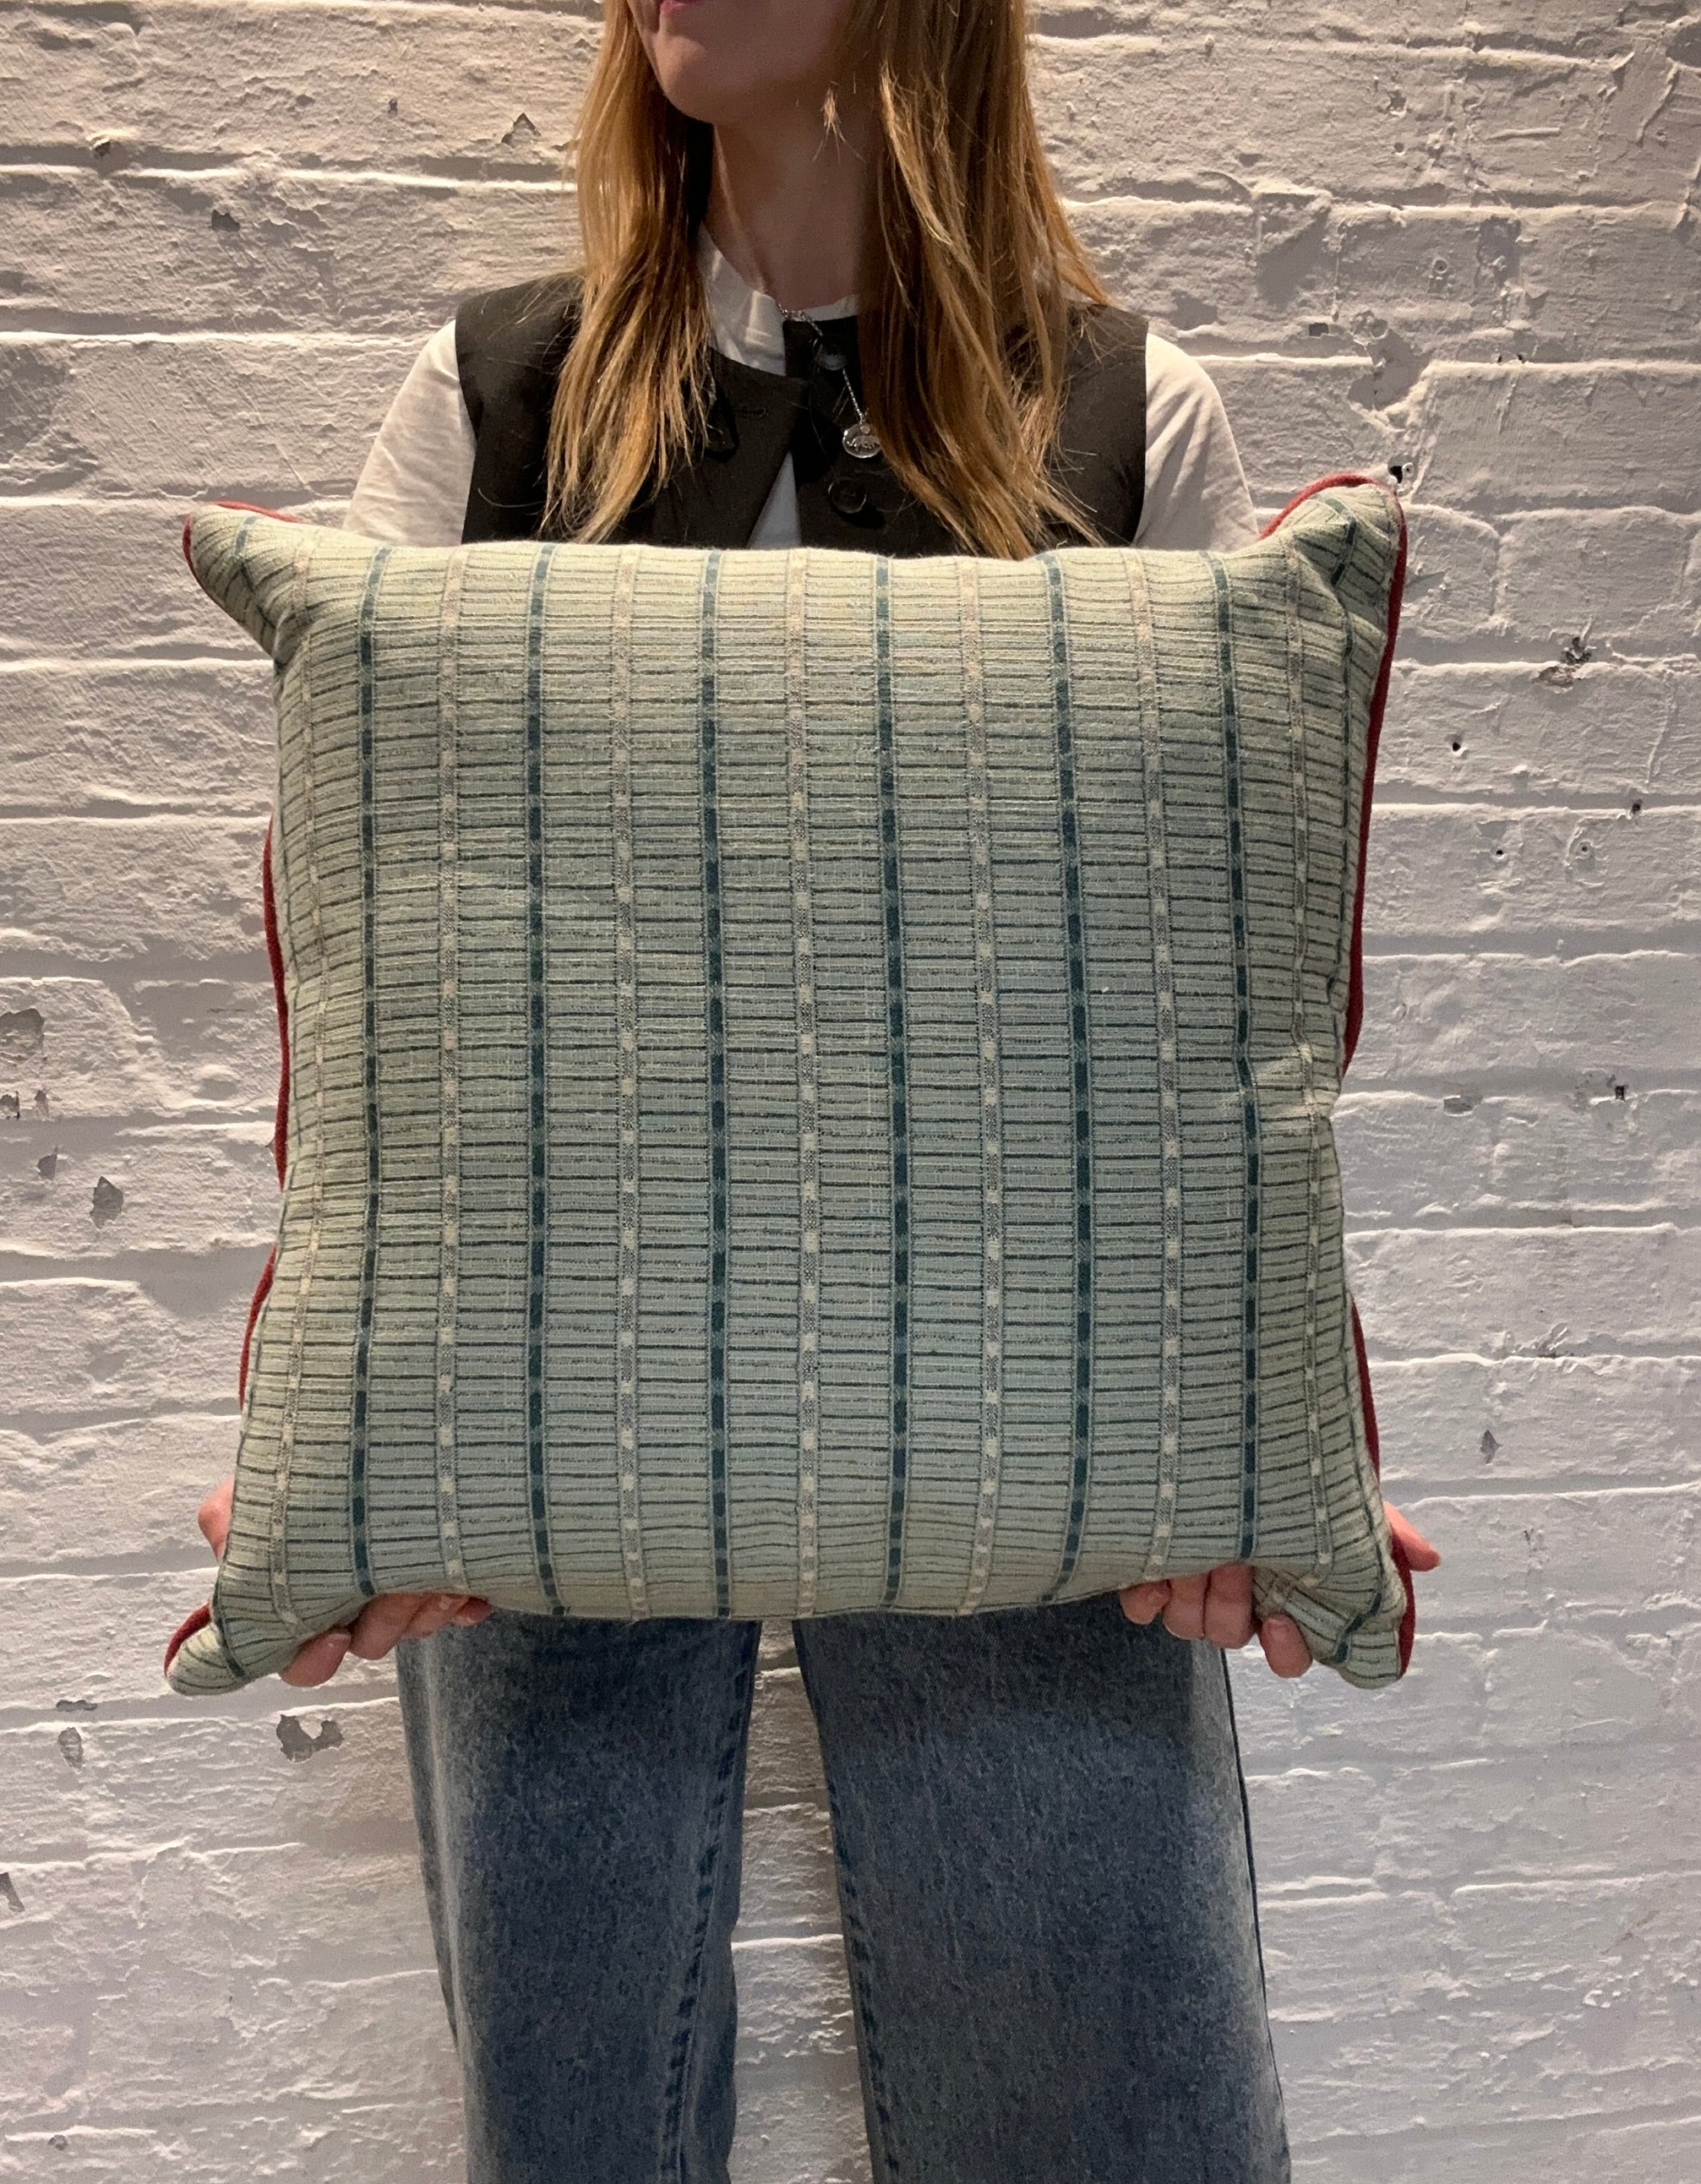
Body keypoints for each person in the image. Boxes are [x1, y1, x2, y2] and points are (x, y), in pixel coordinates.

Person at [198, 2, 1440, 2176]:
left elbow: (1195, 999)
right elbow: (398, 987)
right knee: (577, 2108)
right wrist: (343, 1451)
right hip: (553, 1374)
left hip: (1030, 1377)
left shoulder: (1122, 408)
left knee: (1096, 2086)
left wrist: (1258, 1455)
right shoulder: (495, 391)